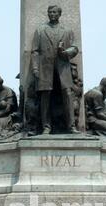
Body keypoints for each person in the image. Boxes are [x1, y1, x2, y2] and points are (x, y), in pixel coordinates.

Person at [31, 5, 79, 134]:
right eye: (50, 12)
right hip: (45, 68)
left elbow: (75, 48)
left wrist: (65, 52)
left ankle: (71, 126)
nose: (51, 14)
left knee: (68, 94)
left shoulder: (67, 30)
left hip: (63, 67)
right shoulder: (40, 30)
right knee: (45, 96)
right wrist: (35, 68)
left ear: (59, 14)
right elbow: (34, 51)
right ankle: (46, 126)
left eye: (54, 12)